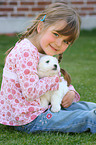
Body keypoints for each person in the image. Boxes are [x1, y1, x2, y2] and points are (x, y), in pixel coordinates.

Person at [0, 2, 96, 134]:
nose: (58, 43)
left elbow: (56, 78)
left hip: (45, 106)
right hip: (29, 118)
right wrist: (54, 81)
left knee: (87, 106)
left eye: (66, 41)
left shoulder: (42, 50)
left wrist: (70, 92)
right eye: (56, 34)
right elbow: (31, 92)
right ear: (41, 27)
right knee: (87, 118)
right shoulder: (26, 52)